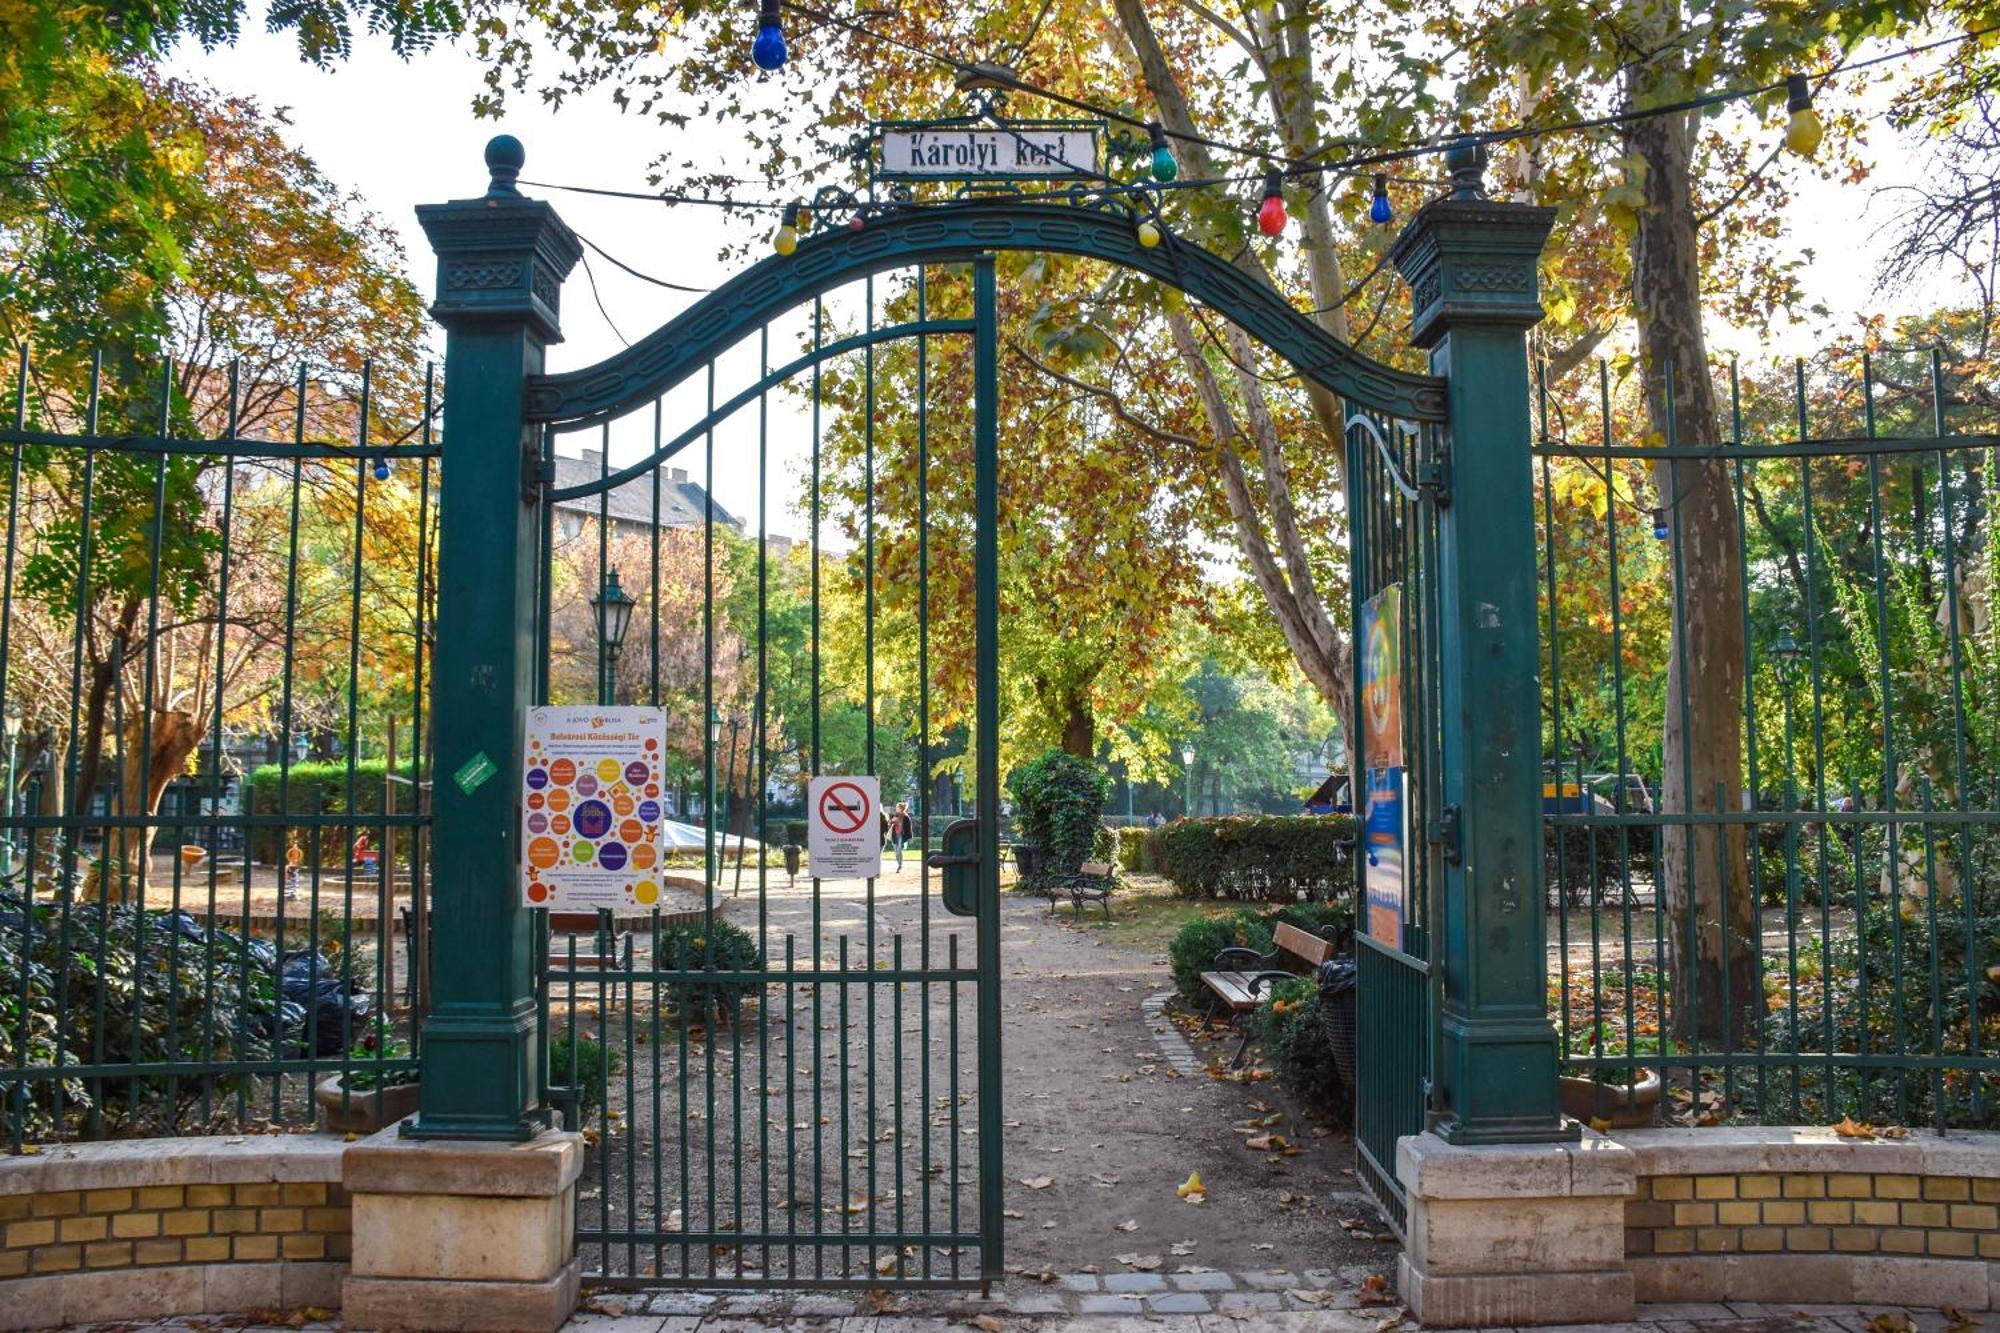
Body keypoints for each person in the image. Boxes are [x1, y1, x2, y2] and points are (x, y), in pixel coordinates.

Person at [888, 802, 913, 872]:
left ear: (901, 809)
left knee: (899, 850)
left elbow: (909, 828)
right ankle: (899, 864)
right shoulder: (894, 815)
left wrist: (910, 837)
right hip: (894, 835)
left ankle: (900, 866)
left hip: (901, 836)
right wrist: (891, 821)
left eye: (897, 807)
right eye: (896, 807)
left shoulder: (906, 818)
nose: (896, 808)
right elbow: (889, 824)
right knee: (896, 852)